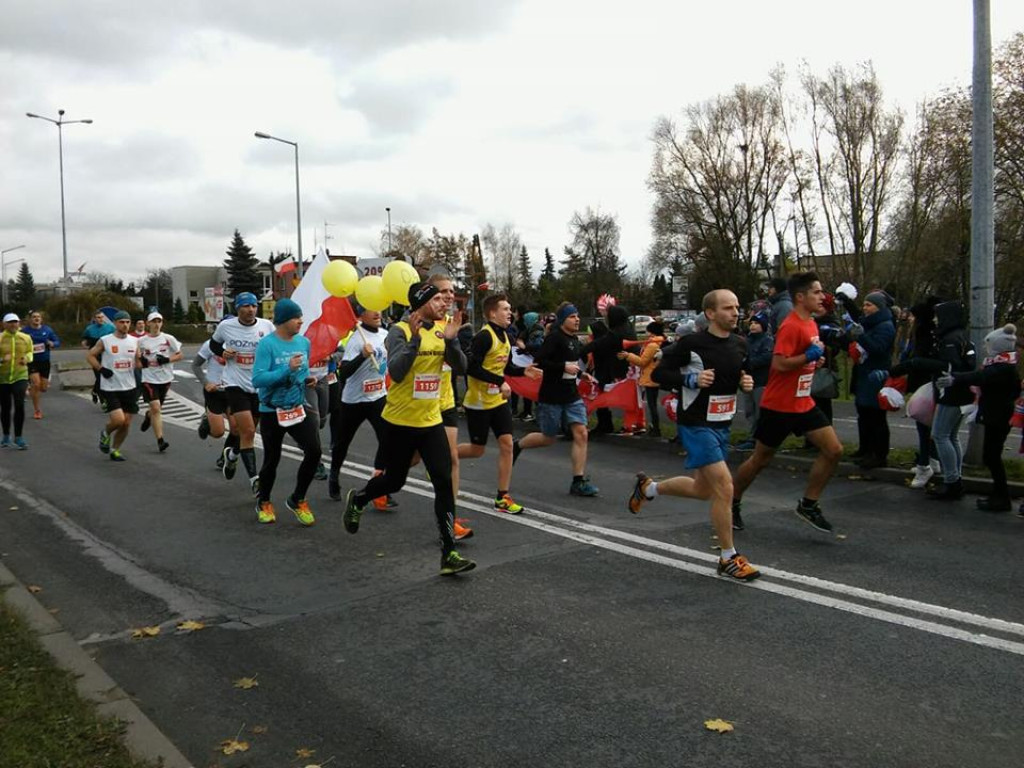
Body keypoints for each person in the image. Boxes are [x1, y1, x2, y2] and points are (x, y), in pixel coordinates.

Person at [343, 282, 475, 576]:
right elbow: (399, 373)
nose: (444, 303)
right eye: (437, 298)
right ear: (420, 303)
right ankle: (360, 498)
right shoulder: (399, 332)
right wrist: (415, 340)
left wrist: (452, 341)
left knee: (443, 481)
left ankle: (448, 553)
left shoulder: (442, 330)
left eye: (445, 298)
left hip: (431, 421)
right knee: (394, 482)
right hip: (400, 423)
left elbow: (462, 368)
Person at [628, 290, 759, 580]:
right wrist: (690, 379)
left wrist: (745, 381)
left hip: (721, 423)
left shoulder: (740, 344)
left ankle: (649, 488)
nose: (735, 313)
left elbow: (741, 372)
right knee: (725, 487)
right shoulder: (691, 344)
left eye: (737, 307)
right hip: (695, 423)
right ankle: (728, 557)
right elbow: (658, 374)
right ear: (710, 313)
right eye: (727, 308)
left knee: (704, 490)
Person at [731, 272, 844, 533]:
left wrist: (816, 361)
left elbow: (802, 360)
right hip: (780, 405)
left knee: (834, 450)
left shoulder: (811, 323)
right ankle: (732, 501)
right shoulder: (791, 325)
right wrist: (807, 356)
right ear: (800, 297)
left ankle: (808, 504)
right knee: (761, 459)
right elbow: (779, 364)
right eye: (816, 292)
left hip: (803, 402)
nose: (822, 296)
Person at [457, 294, 540, 514]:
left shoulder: (506, 336)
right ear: (493, 313)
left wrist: (523, 371)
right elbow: (471, 368)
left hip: (498, 401)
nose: (510, 313)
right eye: (505, 309)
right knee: (477, 450)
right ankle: (444, 456)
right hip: (478, 403)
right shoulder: (483, 337)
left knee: (507, 444)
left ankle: (502, 497)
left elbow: (506, 367)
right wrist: (499, 381)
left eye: (510, 309)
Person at [885, 301, 976, 500]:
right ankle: (955, 478)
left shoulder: (949, 339)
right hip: (960, 392)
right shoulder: (960, 335)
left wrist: (915, 364)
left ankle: (952, 482)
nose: (935, 320)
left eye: (938, 316)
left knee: (940, 435)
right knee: (951, 436)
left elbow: (950, 365)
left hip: (950, 392)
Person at [513, 302, 600, 496]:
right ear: (562, 320)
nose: (577, 319)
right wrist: (563, 367)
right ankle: (517, 446)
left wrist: (581, 375)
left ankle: (578, 481)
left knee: (581, 433)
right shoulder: (554, 338)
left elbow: (571, 366)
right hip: (552, 396)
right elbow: (540, 362)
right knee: (548, 438)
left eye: (577, 316)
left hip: (571, 395)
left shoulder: (575, 340)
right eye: (572, 316)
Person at [249, 299, 319, 526]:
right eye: (295, 318)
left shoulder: (304, 342)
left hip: (297, 407)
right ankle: (264, 501)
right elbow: (258, 379)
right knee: (272, 458)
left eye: (300, 317)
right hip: (271, 410)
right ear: (282, 321)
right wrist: (286, 369)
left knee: (314, 451)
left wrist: (306, 379)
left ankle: (298, 499)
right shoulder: (267, 345)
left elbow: (302, 371)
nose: (301, 321)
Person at [937, 324, 1021, 512]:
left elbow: (981, 377)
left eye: (988, 344)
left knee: (992, 457)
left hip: (998, 417)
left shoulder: (1002, 367)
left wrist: (954, 378)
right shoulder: (1004, 364)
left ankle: (1002, 498)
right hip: (997, 414)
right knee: (991, 456)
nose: (985, 348)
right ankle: (999, 496)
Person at [211, 293, 275, 496]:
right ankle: (255, 480)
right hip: (234, 383)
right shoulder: (226, 327)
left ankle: (233, 454)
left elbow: (275, 347)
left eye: (253, 306)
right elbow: (214, 344)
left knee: (247, 432)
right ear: (237, 309)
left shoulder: (266, 326)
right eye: (245, 306)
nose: (250, 310)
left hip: (258, 385)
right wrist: (223, 353)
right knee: (247, 431)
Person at [327, 302, 390, 505]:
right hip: (354, 400)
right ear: (360, 315)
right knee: (342, 443)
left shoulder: (385, 334)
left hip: (378, 396)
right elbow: (343, 373)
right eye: (371, 309)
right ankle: (334, 476)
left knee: (387, 441)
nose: (377, 312)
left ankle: (379, 487)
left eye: (378, 308)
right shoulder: (355, 340)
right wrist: (362, 356)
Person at [846, 291, 896, 469]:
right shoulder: (870, 323)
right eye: (864, 304)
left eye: (869, 305)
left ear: (879, 307)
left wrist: (861, 336)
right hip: (864, 373)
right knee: (864, 414)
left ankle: (879, 454)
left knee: (876, 416)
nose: (865, 308)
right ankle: (865, 449)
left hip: (876, 375)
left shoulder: (885, 326)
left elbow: (878, 349)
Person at [900, 299, 943, 488]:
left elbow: (918, 358)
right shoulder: (933, 332)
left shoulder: (923, 333)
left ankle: (925, 463)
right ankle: (932, 458)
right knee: (928, 425)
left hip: (925, 383)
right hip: (926, 382)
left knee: (923, 424)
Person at [87, 311, 139, 461]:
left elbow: (139, 361)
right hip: (110, 386)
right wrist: (101, 369)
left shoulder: (134, 341)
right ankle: (105, 433)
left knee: (126, 423)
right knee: (118, 420)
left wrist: (148, 363)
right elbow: (90, 356)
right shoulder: (105, 340)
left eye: (128, 322)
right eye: (122, 322)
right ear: (115, 323)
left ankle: (115, 450)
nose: (125, 325)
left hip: (129, 386)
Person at [136, 311, 183, 452]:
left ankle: (148, 416)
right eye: (154, 321)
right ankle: (160, 440)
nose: (156, 324)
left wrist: (167, 359)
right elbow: (136, 359)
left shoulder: (168, 338)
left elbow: (180, 354)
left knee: (156, 409)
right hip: (148, 378)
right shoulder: (141, 341)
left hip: (165, 377)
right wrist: (141, 361)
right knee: (156, 407)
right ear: (148, 323)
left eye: (159, 321)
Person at [191, 338, 238, 467]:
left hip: (233, 391)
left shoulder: (240, 344)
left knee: (236, 429)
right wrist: (206, 383)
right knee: (218, 432)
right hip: (214, 393)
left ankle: (225, 456)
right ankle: (206, 421)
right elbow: (195, 365)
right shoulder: (210, 344)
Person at [588, 305, 633, 435]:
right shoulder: (624, 331)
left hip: (609, 371)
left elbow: (596, 347)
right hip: (613, 370)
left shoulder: (611, 336)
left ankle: (606, 424)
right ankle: (609, 423)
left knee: (601, 396)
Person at [620, 320, 666, 437]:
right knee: (652, 404)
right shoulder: (658, 342)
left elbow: (642, 362)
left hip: (650, 378)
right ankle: (654, 427)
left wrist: (628, 356)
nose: (646, 333)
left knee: (652, 405)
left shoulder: (652, 345)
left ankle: (656, 429)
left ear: (651, 332)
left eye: (647, 331)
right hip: (653, 376)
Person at [735, 311, 772, 451]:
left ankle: (758, 439)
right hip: (747, 380)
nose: (753, 326)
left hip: (761, 380)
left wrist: (750, 363)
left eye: (756, 323)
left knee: (759, 411)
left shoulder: (767, 340)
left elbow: (767, 357)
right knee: (749, 410)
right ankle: (752, 435)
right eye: (751, 323)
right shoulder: (746, 340)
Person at [1, 313, 33, 449]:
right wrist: (2, 360)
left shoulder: (25, 337)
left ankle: (19, 437)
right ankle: (6, 435)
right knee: (5, 407)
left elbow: (30, 352)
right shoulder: (1, 338)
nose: (13, 324)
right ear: (4, 324)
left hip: (20, 376)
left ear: (19, 323)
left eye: (15, 322)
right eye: (10, 322)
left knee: (19, 405)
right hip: (2, 378)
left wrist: (27, 358)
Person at [22, 311, 60, 420]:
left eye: (38, 317)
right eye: (34, 317)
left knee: (43, 388)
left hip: (44, 361)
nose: (36, 318)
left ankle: (36, 387)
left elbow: (57, 341)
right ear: (30, 319)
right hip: (32, 361)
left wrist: (53, 344)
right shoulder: (25, 331)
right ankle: (37, 410)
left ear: (41, 319)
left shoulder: (47, 330)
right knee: (36, 384)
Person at [81, 310, 114, 404]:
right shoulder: (89, 329)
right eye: (98, 317)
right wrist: (85, 343)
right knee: (99, 376)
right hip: (94, 355)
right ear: (95, 319)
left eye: (102, 317)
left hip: (106, 355)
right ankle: (101, 397)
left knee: (105, 376)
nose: (101, 319)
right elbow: (85, 339)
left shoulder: (110, 328)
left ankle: (96, 391)